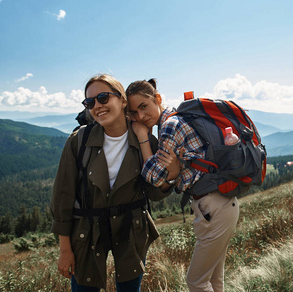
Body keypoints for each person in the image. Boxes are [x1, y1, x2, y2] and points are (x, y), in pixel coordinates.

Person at [50, 74, 180, 291]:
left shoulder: (145, 140)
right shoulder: (78, 141)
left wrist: (171, 176)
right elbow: (62, 197)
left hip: (131, 231)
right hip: (87, 232)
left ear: (122, 100)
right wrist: (65, 249)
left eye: (103, 97)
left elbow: (155, 193)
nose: (97, 106)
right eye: (89, 102)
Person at [126, 79, 240, 292]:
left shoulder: (169, 125)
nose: (141, 116)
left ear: (158, 99)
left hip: (213, 208)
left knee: (196, 282)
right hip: (220, 206)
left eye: (144, 106)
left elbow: (156, 177)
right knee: (214, 281)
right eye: (134, 112)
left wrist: (143, 137)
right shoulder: (176, 118)